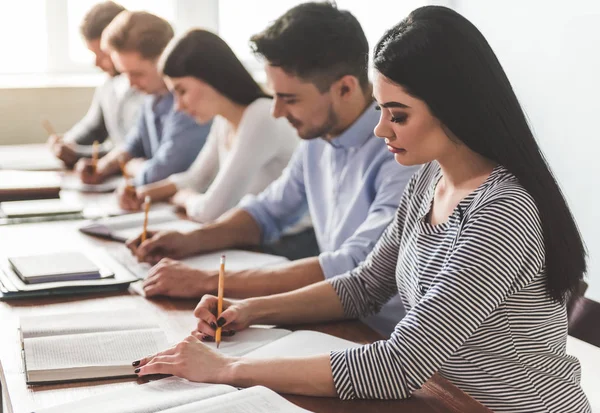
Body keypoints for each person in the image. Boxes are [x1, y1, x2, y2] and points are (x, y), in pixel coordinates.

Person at [132, 6, 591, 412]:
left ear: (454, 109)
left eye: (399, 115)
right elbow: (364, 286)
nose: (380, 129)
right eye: (382, 110)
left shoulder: (502, 212)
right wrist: (248, 308)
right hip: (440, 397)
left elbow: (399, 365)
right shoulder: (429, 181)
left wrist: (227, 369)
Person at [126, 2, 418, 337]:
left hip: (382, 335)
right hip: (330, 319)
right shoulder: (316, 137)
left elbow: (355, 268)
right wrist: (189, 242)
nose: (277, 112)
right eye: (274, 96)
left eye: (289, 99)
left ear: (345, 88)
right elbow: (267, 211)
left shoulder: (401, 152)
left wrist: (209, 282)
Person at [117, 29, 299, 224]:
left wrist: (183, 197)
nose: (178, 106)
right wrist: (145, 193)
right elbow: (196, 178)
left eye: (182, 91)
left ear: (211, 77)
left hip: (285, 244)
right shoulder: (224, 120)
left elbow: (211, 211)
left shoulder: (261, 116)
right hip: (249, 238)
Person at [75, 11, 211, 187]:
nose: (131, 84)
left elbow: (162, 173)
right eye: (125, 74)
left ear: (166, 58)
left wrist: (131, 166)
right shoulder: (152, 97)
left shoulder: (189, 104)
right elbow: (133, 144)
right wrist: (102, 167)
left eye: (137, 74)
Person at [47, 1, 143, 168]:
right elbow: (92, 128)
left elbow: (134, 147)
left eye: (103, 54)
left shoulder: (147, 89)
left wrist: (79, 153)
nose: (97, 63)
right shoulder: (108, 86)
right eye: (93, 53)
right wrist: (67, 142)